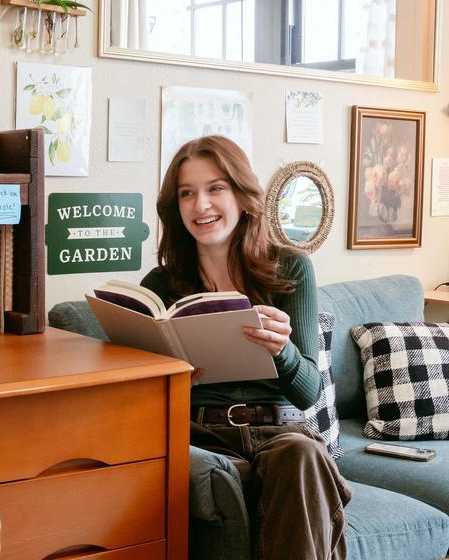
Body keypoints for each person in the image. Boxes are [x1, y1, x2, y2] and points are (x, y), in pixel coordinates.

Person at [142, 135, 352, 559]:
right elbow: (143, 403)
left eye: (215, 188)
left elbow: (309, 392)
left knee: (300, 455)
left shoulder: (290, 268)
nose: (201, 205)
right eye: (187, 193)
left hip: (279, 430)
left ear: (241, 194)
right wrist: (172, 377)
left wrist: (283, 351)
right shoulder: (159, 286)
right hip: (200, 433)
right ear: (175, 206)